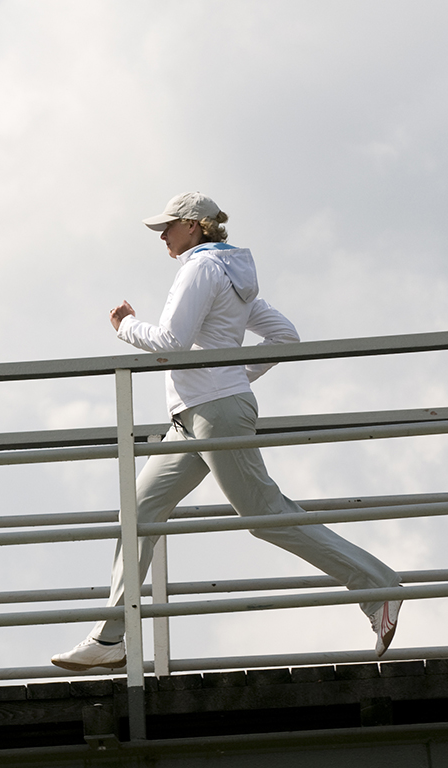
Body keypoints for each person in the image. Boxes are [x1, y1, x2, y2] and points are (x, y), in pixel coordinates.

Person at [51, 192, 402, 672]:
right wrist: (235, 377)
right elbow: (285, 337)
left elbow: (172, 342)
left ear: (193, 226)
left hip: (212, 411)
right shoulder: (232, 273)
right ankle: (111, 637)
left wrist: (126, 325)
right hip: (195, 415)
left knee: (265, 515)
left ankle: (377, 586)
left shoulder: (199, 268)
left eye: (168, 227)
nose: (163, 236)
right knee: (139, 512)